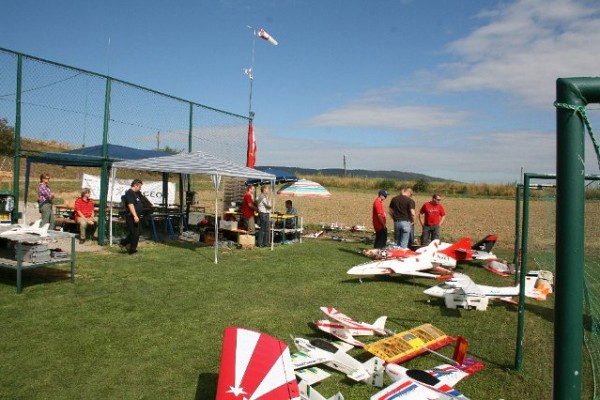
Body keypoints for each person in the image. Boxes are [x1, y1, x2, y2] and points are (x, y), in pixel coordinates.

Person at [120, 179, 144, 255]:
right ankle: (132, 251)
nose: (140, 188)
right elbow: (130, 205)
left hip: (137, 216)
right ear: (135, 185)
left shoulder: (136, 193)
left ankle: (123, 242)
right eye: (139, 187)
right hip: (132, 216)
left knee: (139, 232)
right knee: (135, 234)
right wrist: (135, 216)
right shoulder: (130, 193)